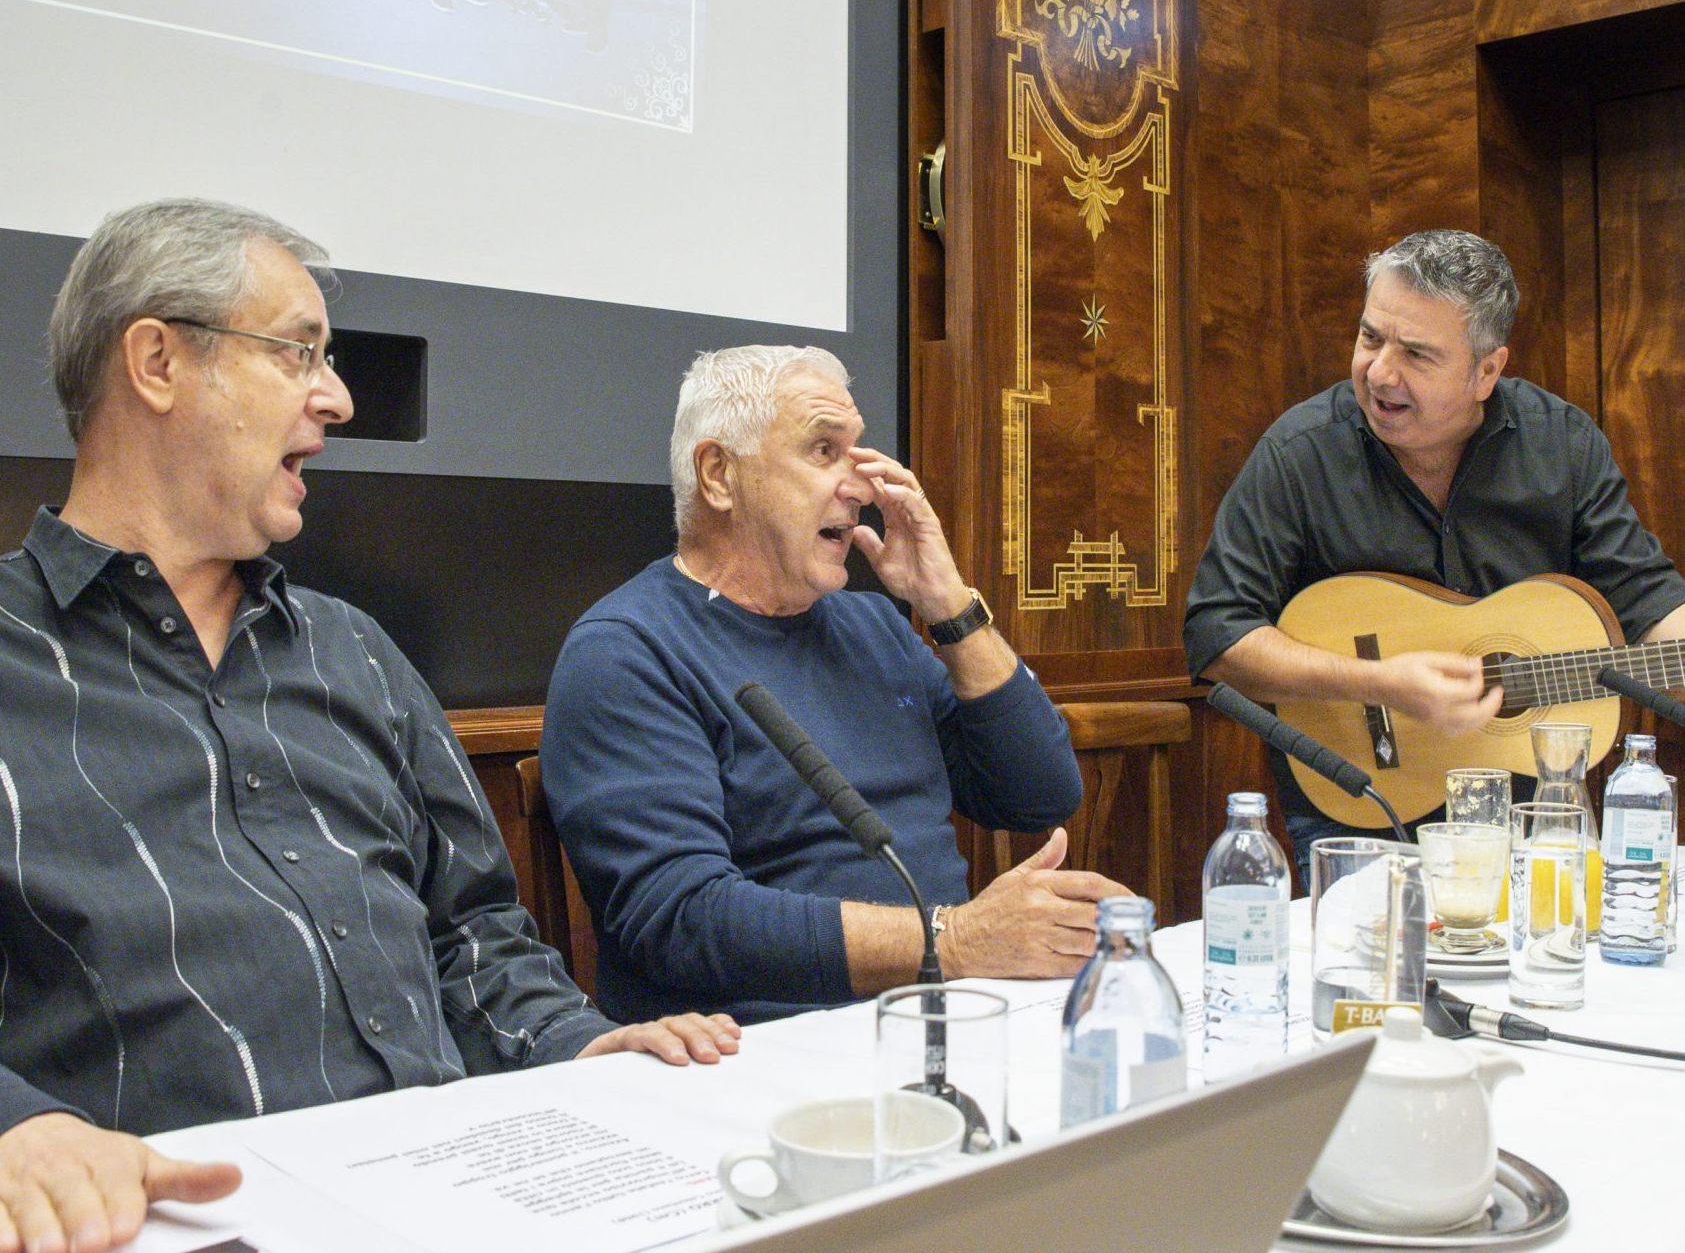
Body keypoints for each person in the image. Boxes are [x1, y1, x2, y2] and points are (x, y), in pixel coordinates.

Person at [0, 199, 738, 1253]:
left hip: (466, 1218)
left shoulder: (354, 651)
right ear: (157, 362)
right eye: (297, 351)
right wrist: (21, 1127)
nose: (336, 397)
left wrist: (582, 1045)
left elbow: (472, 933)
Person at [543, 344, 1113, 1026]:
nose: (863, 486)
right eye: (822, 451)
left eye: (858, 451)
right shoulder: (626, 651)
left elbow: (1038, 795)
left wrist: (950, 607)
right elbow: (681, 918)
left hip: (940, 1011)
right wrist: (950, 940)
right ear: (719, 474)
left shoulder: (874, 625)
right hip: (761, 1046)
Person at [1183, 227, 1685, 875]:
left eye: (1416, 354)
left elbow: (1649, 600)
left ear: (1486, 370)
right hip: (1357, 808)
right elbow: (1214, 633)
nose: (1379, 371)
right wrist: (1379, 681)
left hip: (1529, 812)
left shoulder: (1562, 444)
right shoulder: (1299, 453)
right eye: (1370, 337)